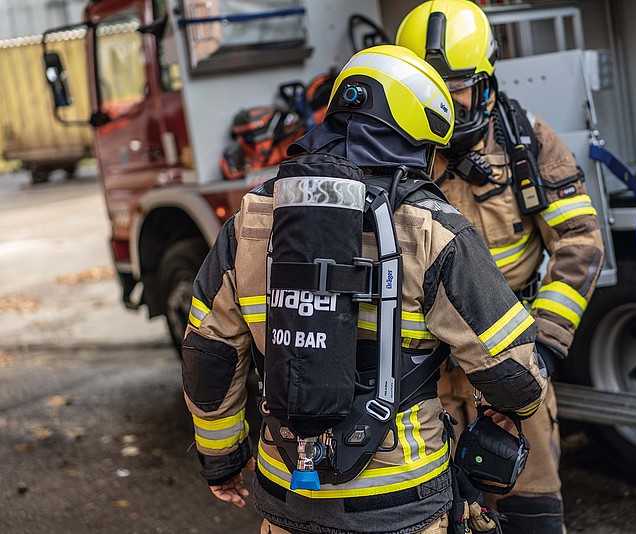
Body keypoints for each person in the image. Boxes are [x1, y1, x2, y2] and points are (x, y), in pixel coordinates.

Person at [181, 44, 548, 534]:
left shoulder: (252, 218)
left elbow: (209, 356)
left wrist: (221, 459)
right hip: (401, 503)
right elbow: (514, 375)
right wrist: (516, 406)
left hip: (288, 498)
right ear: (416, 138)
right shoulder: (434, 228)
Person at [396, 1, 604, 532]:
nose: (445, 101)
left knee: (532, 515)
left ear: (487, 82)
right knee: (438, 517)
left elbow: (580, 241)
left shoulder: (525, 142)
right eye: (428, 87)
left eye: (458, 86)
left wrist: (545, 346)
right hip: (426, 381)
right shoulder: (395, 157)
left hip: (517, 370)